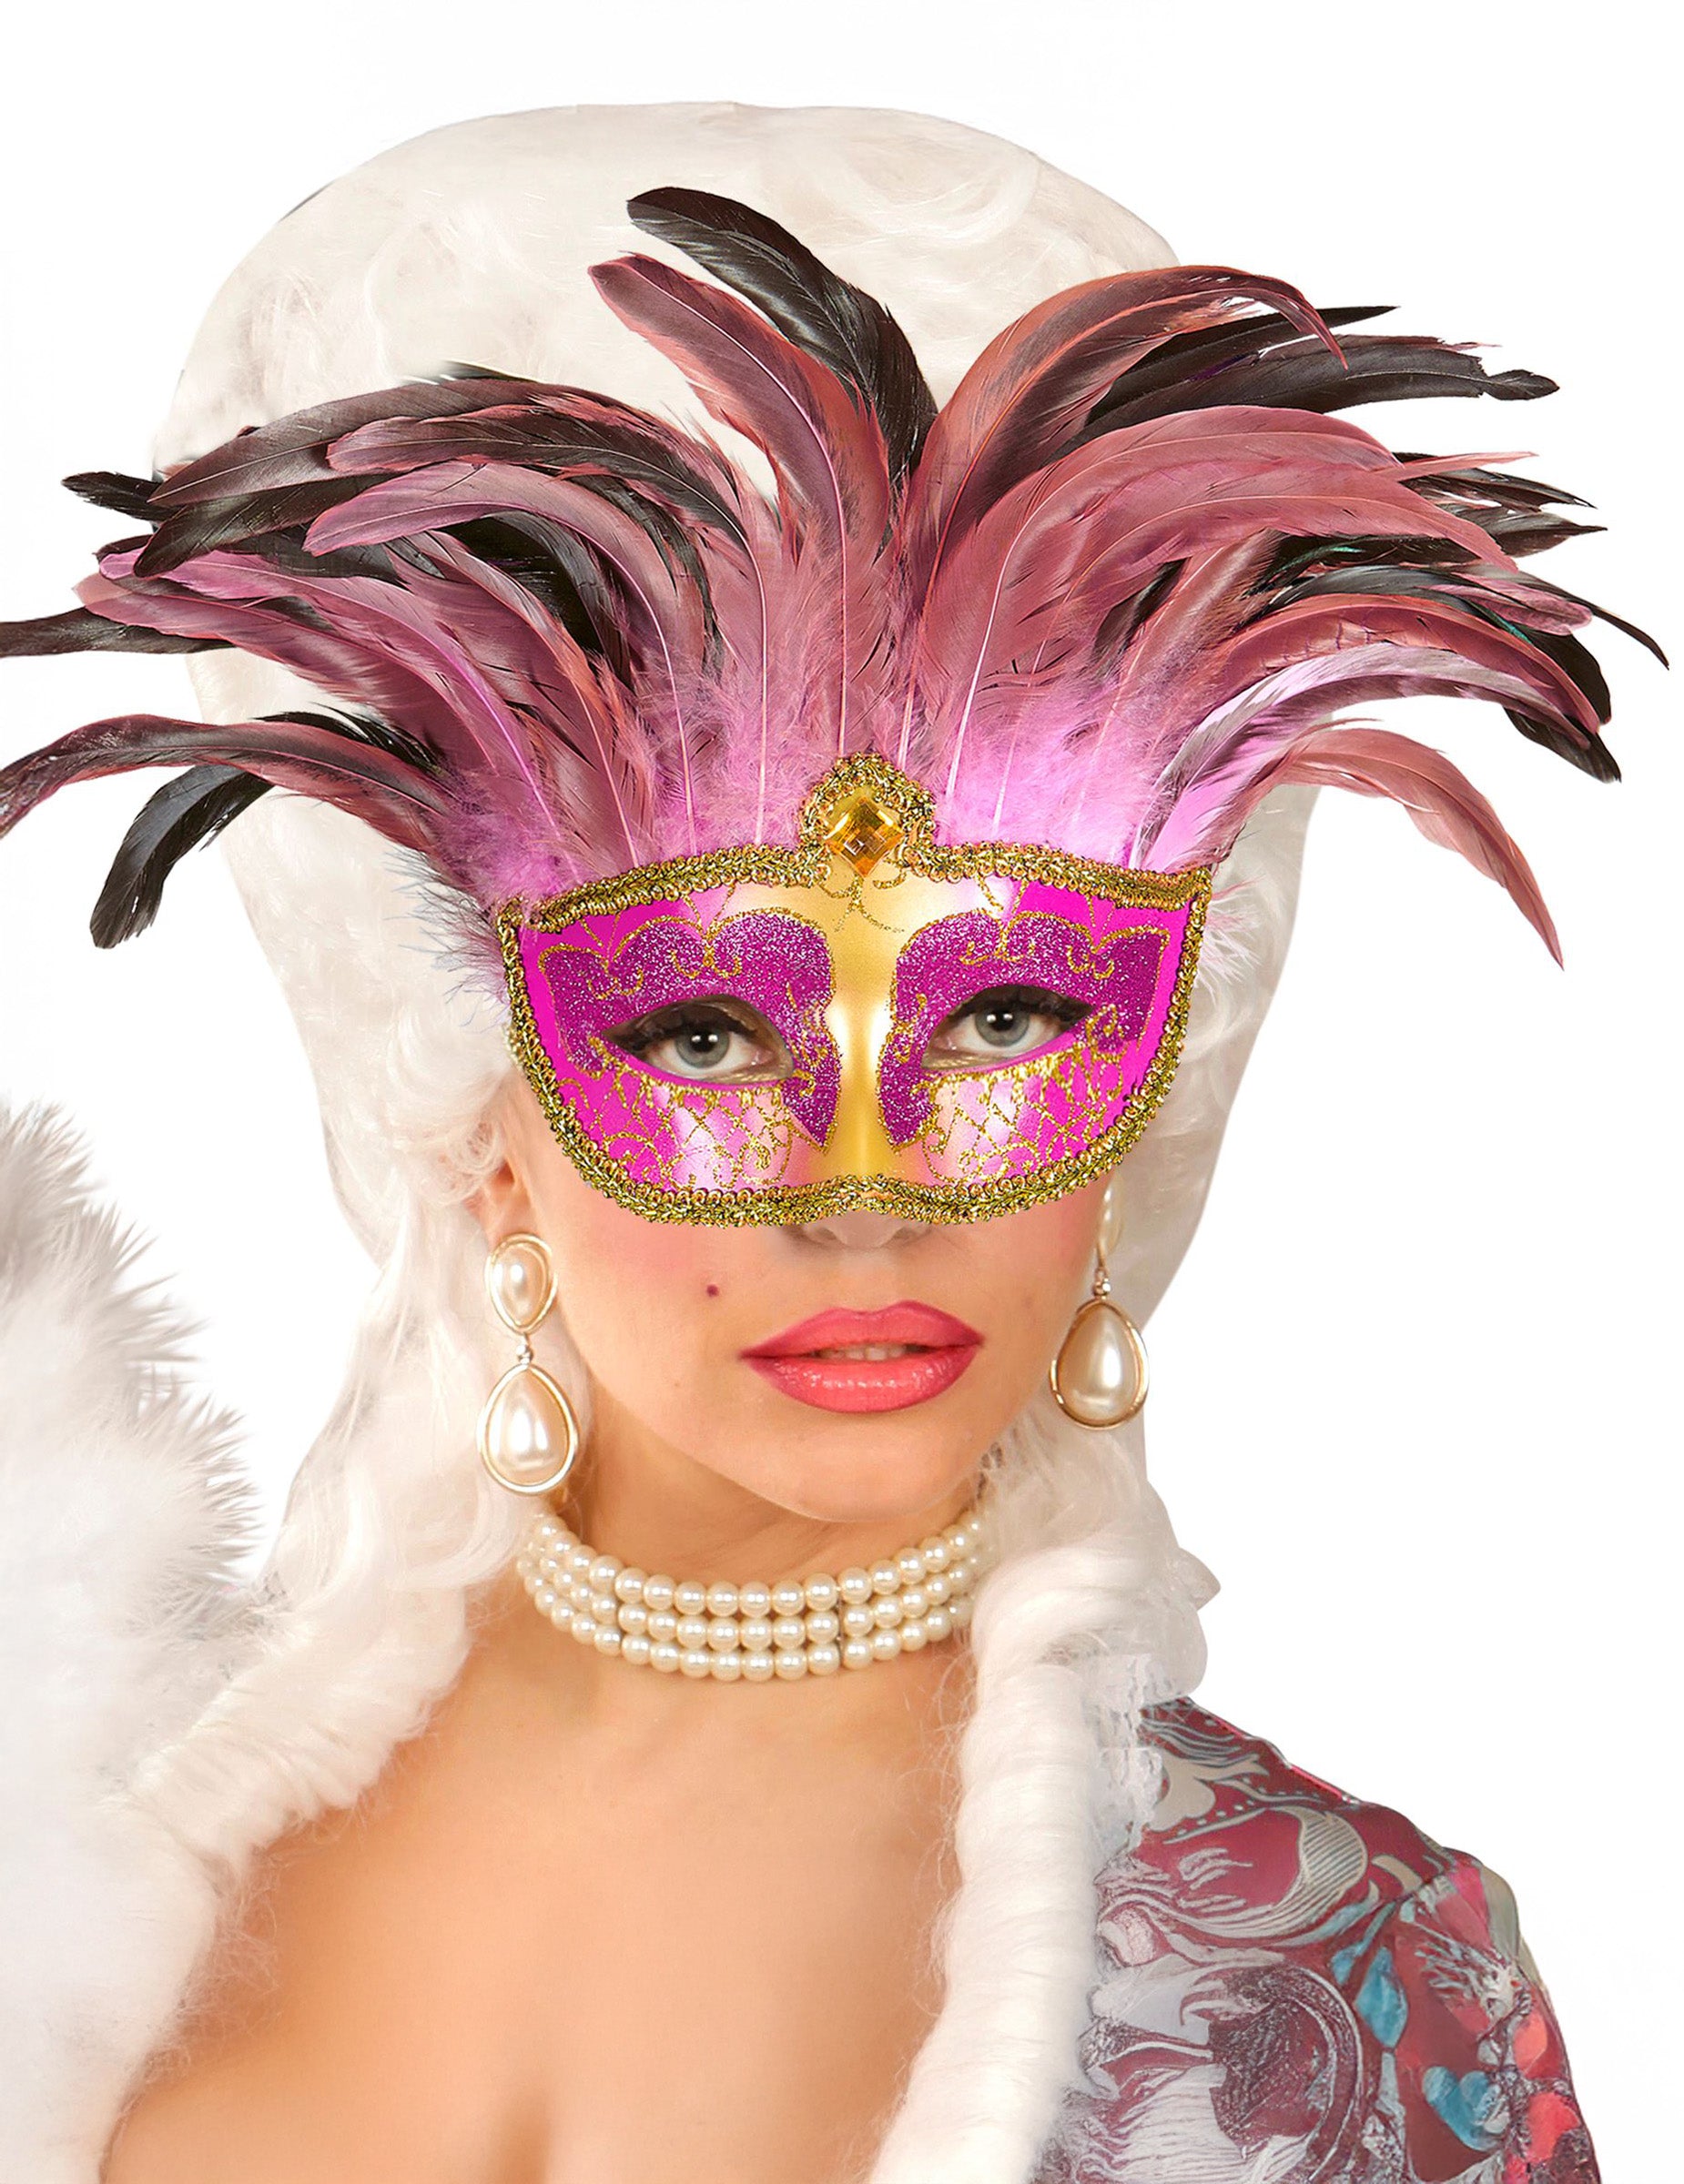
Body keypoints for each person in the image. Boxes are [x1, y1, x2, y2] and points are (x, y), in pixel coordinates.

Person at [0, 104, 1640, 2184]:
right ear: (472, 1113)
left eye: (1007, 1015)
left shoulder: (1353, 1994)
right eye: (700, 1028)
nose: (863, 1204)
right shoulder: (65, 1860)